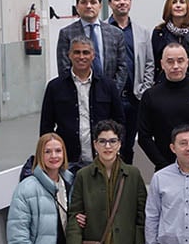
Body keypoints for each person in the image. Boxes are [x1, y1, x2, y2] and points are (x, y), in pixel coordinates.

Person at [39, 36, 125, 167]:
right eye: (77, 52)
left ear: (93, 55)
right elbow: (46, 126)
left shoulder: (108, 86)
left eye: (86, 52)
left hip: (101, 159)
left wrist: (114, 150)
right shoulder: (55, 87)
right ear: (69, 55)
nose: (81, 57)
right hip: (68, 160)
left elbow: (119, 122)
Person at [137, 42, 189, 171]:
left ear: (187, 62)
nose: (175, 66)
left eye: (180, 61)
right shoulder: (150, 96)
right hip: (165, 169)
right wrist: (163, 165)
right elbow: (144, 136)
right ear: (162, 64)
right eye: (170, 61)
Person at [106, 0, 154, 164]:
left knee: (128, 146)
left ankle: (126, 181)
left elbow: (150, 63)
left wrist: (145, 89)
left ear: (130, 2)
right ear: (110, 3)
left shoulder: (142, 32)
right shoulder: (102, 29)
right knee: (110, 142)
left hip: (134, 99)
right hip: (111, 99)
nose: (122, 2)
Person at [57, 0, 131, 96]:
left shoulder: (115, 33)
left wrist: (112, 91)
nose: (88, 6)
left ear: (100, 6)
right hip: (79, 96)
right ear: (77, 6)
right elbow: (64, 69)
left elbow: (122, 67)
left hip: (109, 95)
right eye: (84, 2)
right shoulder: (66, 33)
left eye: (93, 2)